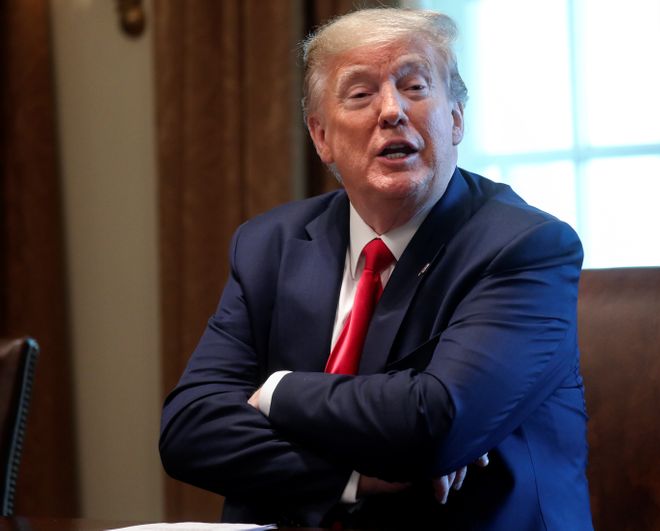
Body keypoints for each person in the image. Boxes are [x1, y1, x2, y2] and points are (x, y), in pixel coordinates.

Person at [160, 7, 593, 530]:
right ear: (321, 137)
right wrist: (353, 479)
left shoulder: (527, 247)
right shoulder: (268, 245)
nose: (391, 111)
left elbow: (434, 423)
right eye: (361, 94)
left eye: (414, 87)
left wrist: (276, 391)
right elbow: (189, 429)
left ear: (455, 119)